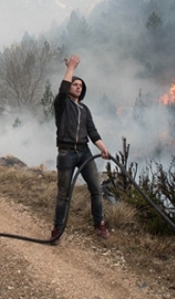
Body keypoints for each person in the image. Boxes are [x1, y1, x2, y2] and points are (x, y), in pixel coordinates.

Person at [51, 54, 110, 244]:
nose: (78, 87)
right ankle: (57, 229)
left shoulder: (85, 110)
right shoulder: (62, 104)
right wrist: (71, 69)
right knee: (63, 195)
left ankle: (99, 224)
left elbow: (92, 131)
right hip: (66, 152)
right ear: (69, 87)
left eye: (81, 86)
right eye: (75, 84)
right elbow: (61, 90)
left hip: (84, 152)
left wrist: (103, 148)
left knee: (96, 189)